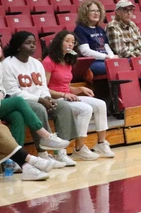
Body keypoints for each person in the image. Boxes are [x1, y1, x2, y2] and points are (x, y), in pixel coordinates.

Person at [0, 34, 70, 167]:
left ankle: (14, 162)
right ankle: (46, 136)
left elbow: (0, 87)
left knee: (17, 116)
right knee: (18, 101)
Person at [1, 31, 80, 168]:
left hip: (40, 99)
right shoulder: (7, 64)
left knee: (63, 107)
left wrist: (47, 97)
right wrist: (39, 99)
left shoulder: (36, 64)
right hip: (22, 102)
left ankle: (60, 153)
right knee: (39, 108)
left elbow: (43, 86)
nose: (32, 46)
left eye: (33, 43)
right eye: (28, 43)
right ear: (18, 46)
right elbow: (13, 92)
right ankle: (42, 153)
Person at [42, 30, 114, 160]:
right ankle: (79, 149)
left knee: (100, 104)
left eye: (73, 42)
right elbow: (44, 89)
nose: (70, 44)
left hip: (67, 95)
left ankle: (101, 143)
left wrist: (80, 89)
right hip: (54, 98)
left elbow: (66, 86)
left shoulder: (68, 61)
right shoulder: (48, 61)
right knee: (85, 109)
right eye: (67, 41)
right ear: (59, 42)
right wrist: (64, 95)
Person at [74, 0, 118, 76]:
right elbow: (85, 51)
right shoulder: (80, 29)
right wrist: (107, 57)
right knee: (114, 68)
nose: (96, 13)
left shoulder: (99, 28)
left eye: (98, 11)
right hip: (92, 62)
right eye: (92, 11)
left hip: (105, 60)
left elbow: (106, 46)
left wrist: (112, 57)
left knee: (127, 63)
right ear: (85, 13)